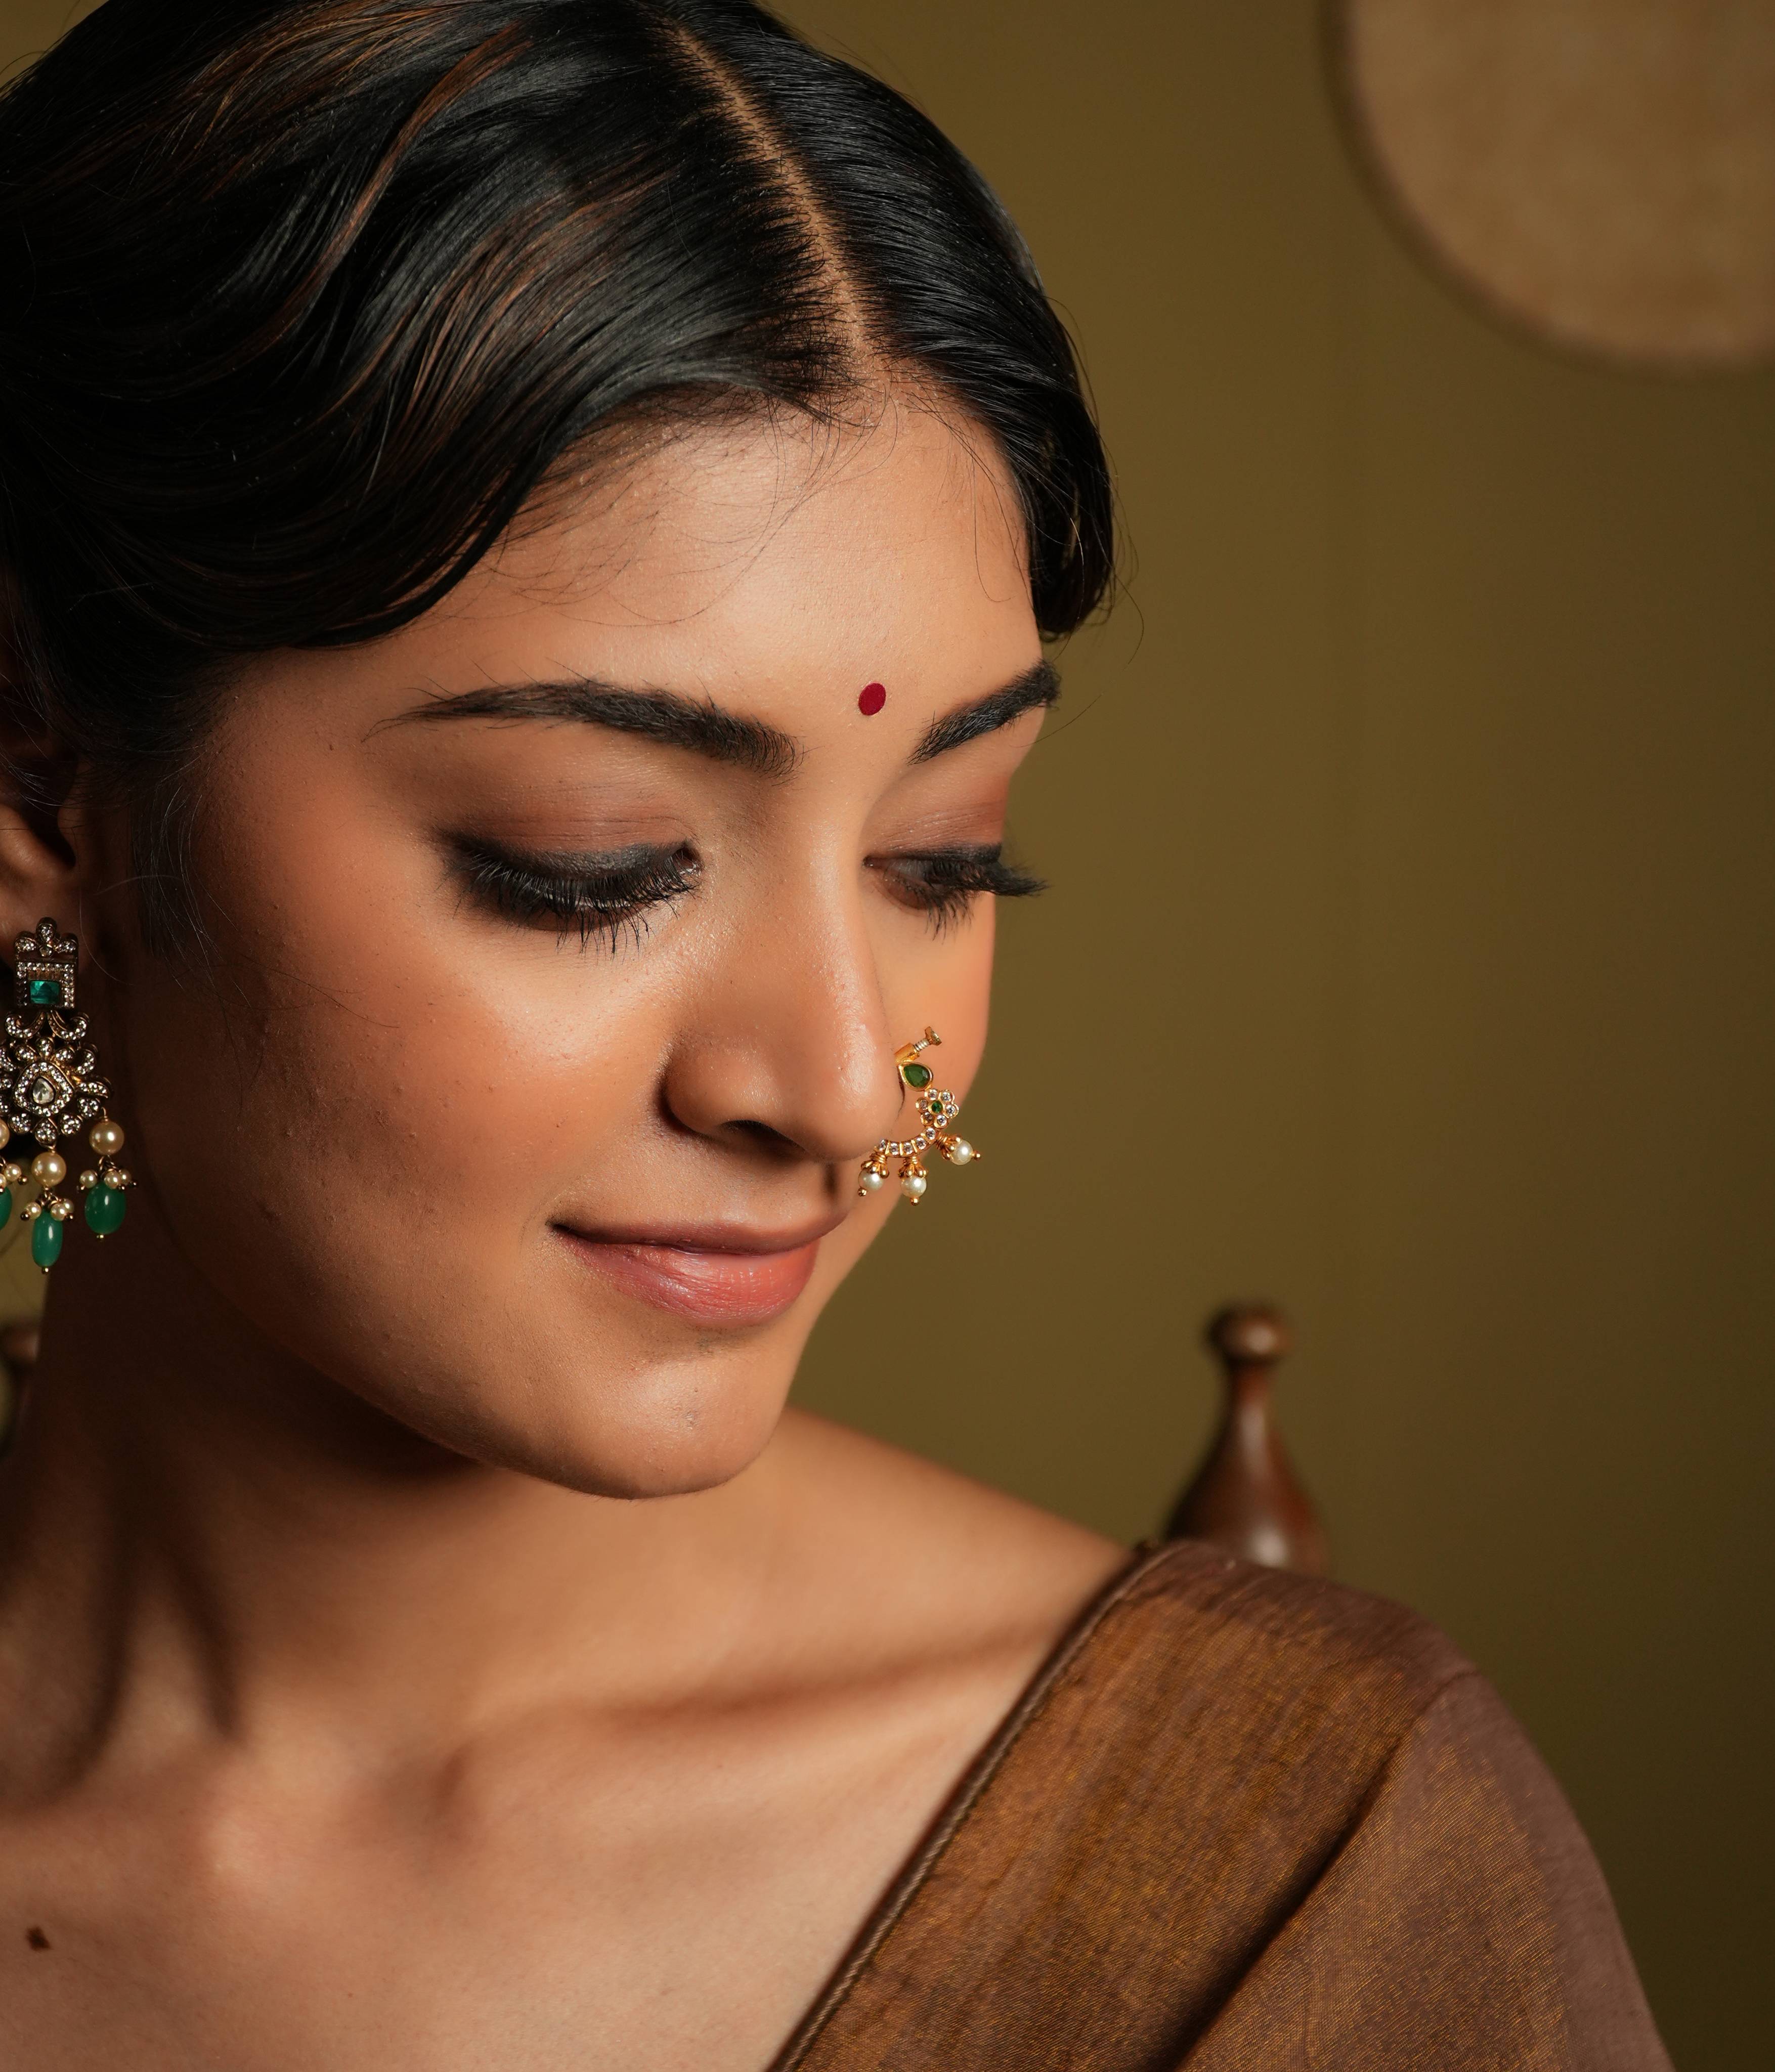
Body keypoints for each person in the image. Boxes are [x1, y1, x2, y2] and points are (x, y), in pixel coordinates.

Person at [0, 4, 1668, 2065]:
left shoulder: (1291, 1854)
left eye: (947, 860)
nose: (830, 1086)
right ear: (43, 797)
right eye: (592, 861)